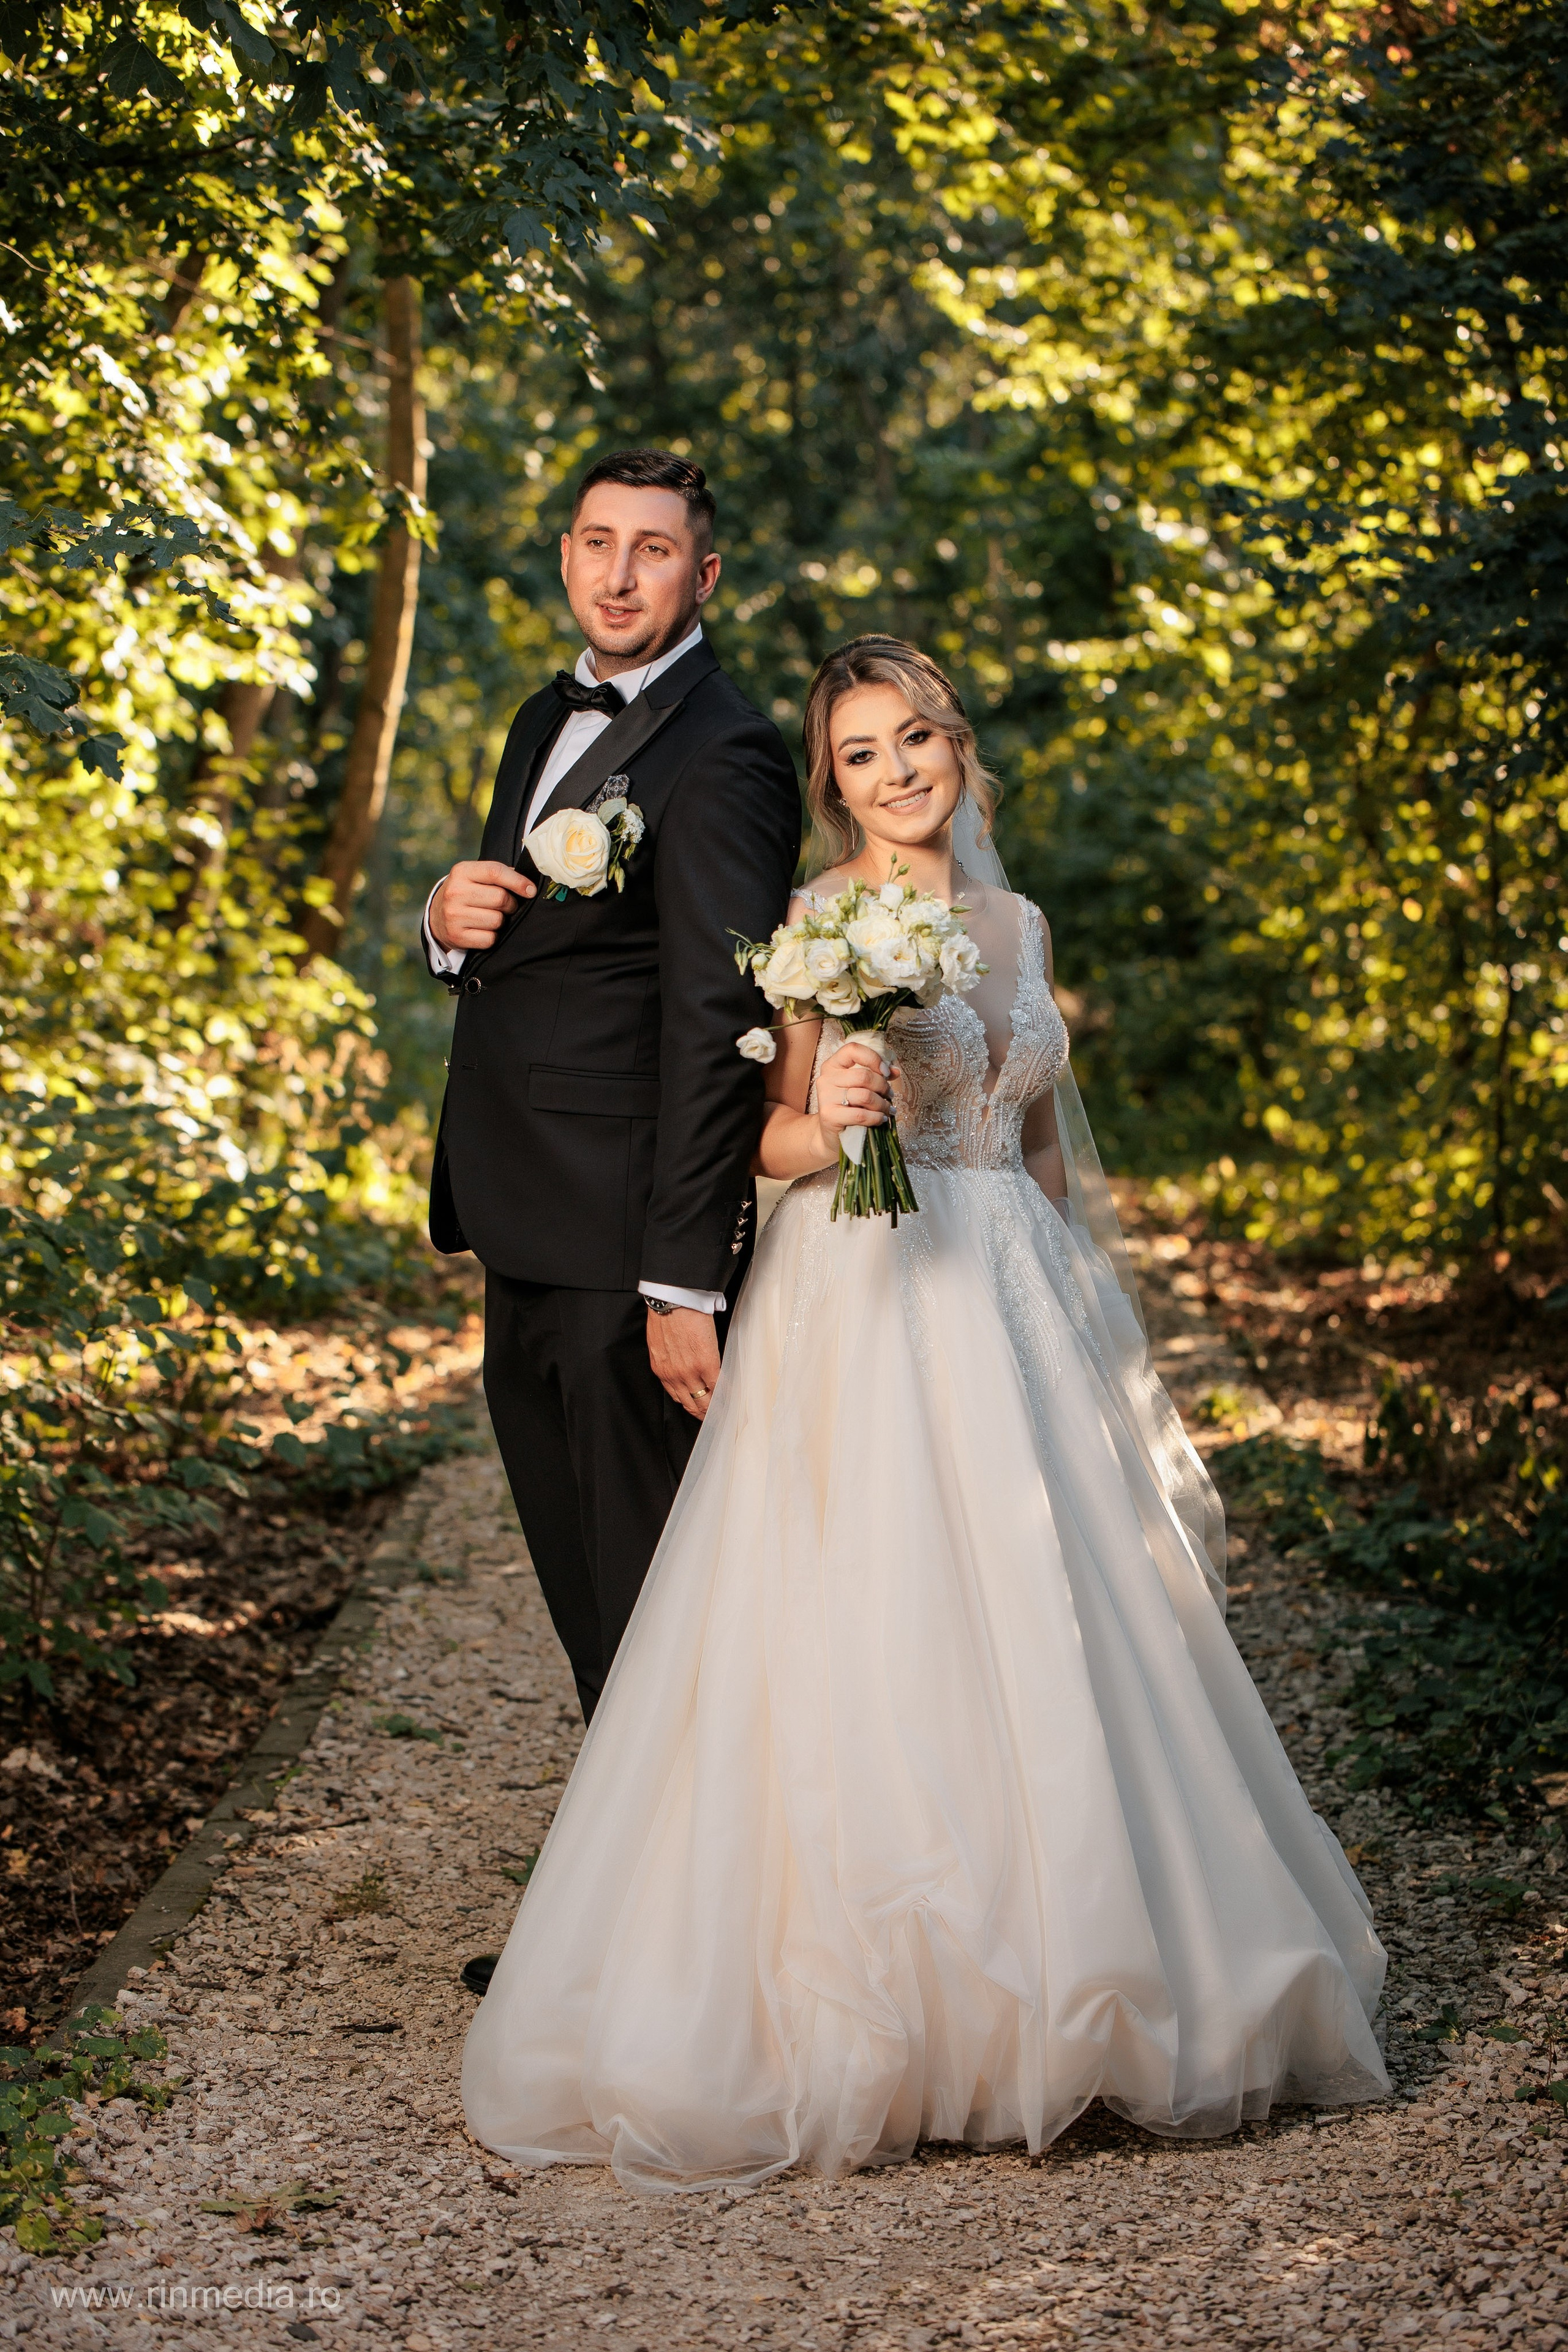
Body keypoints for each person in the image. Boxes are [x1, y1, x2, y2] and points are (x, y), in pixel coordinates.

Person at [461, 634, 1390, 2189]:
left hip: (1006, 1292)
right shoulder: (820, 920)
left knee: (1058, 1615)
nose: (892, 775)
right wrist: (822, 1124)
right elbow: (754, 1139)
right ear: (829, 787)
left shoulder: (1016, 924)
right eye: (857, 758)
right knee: (863, 1610)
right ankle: (875, 2002)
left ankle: (1088, 1974)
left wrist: (1076, 1307)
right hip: (865, 1292)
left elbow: (1030, 1149)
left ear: (953, 744)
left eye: (911, 742)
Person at [422, 450, 800, 1990]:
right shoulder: (540, 716)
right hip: (522, 1216)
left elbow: (720, 1018)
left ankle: (692, 1956)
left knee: (652, 1595)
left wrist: (678, 1276)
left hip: (622, 1241)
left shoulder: (728, 753)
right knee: (589, 1593)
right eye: (596, 544)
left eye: (655, 551)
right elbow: (529, 939)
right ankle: (625, 1917)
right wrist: (446, 929)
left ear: (704, 579)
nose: (620, 573)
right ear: (566, 557)